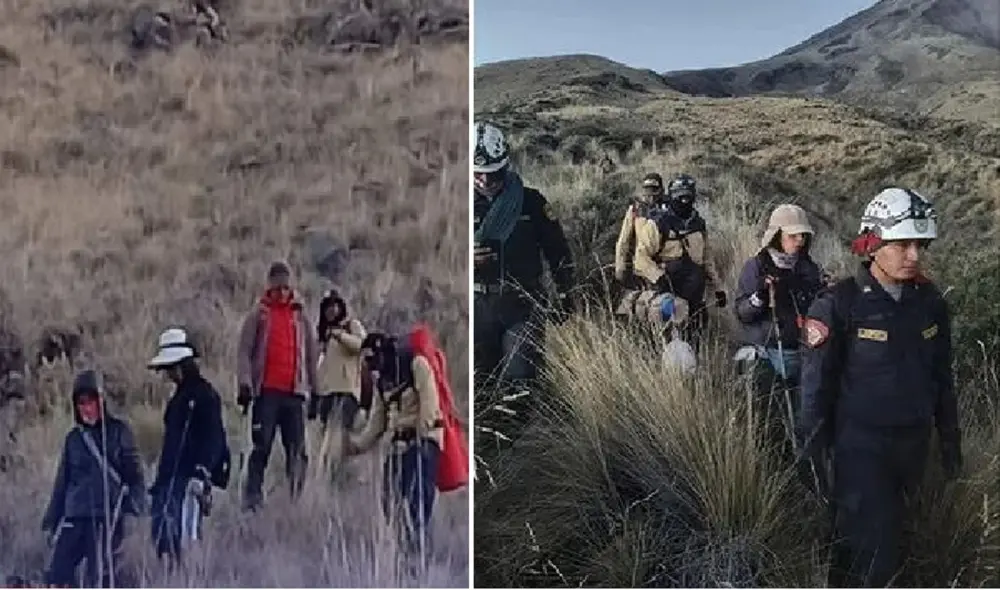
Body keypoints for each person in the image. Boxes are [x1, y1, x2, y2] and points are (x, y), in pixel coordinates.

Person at [797, 187, 962, 587]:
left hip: (914, 447)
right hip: (861, 450)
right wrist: (812, 458)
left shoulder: (929, 302)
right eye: (902, 244)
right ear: (872, 244)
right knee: (873, 558)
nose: (914, 255)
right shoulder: (839, 304)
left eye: (919, 244)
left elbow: (942, 378)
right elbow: (816, 389)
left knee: (900, 544)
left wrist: (950, 444)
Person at [472, 120, 575, 399]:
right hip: (476, 308)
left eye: (492, 173)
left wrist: (567, 294)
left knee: (521, 385)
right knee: (478, 386)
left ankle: (516, 435)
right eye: (477, 174)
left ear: (505, 165)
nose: (484, 181)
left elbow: (558, 250)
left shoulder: (531, 202)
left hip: (523, 305)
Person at [347, 325, 467, 560]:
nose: (372, 369)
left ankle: (418, 561)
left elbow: (429, 405)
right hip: (398, 446)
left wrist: (420, 438)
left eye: (373, 360)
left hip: (424, 444)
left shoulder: (417, 364)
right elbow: (377, 421)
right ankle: (401, 555)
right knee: (389, 501)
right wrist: (356, 446)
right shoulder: (382, 380)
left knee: (417, 507)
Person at [41, 369, 147, 588]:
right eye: (81, 403)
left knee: (101, 577)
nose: (86, 408)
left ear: (101, 402)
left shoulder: (119, 432)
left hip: (106, 517)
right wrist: (52, 520)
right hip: (75, 516)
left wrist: (134, 513)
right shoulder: (74, 439)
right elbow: (62, 483)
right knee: (57, 576)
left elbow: (135, 477)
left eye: (90, 402)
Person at [734, 204, 824, 448]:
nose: (799, 241)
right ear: (777, 235)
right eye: (793, 235)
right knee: (767, 414)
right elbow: (742, 313)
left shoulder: (809, 268)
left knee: (803, 417)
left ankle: (800, 458)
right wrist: (760, 298)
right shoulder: (756, 267)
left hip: (804, 353)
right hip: (768, 351)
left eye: (803, 236)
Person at [236, 261, 319, 511]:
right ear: (269, 287)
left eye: (285, 287)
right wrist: (244, 384)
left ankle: (296, 500)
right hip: (267, 394)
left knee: (298, 451)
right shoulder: (259, 315)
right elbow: (244, 351)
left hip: (294, 394)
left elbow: (311, 357)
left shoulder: (300, 316)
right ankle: (252, 500)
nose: (282, 292)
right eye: (277, 288)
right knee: (261, 446)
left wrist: (316, 392)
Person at [147, 327, 228, 564]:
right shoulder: (184, 397)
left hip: (189, 479)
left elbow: (214, 438)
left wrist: (202, 472)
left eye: (170, 369)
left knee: (185, 538)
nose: (168, 374)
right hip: (173, 479)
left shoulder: (203, 396)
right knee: (166, 537)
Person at [631, 173, 726, 344]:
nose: (684, 200)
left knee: (696, 328)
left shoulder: (698, 224)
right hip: (666, 287)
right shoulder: (658, 223)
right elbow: (641, 257)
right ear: (672, 196)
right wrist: (657, 276)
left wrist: (718, 288)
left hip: (694, 290)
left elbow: (707, 259)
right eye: (680, 195)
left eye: (688, 195)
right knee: (664, 332)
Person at [311, 289, 368, 431]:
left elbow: (362, 345)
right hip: (327, 392)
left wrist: (341, 336)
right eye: (327, 307)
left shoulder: (352, 325)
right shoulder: (324, 334)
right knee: (324, 433)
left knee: (341, 432)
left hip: (347, 391)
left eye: (334, 306)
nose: (331, 310)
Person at [614, 172, 670, 287]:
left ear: (661, 190)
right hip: (642, 267)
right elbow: (623, 241)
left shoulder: (669, 209)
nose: (651, 196)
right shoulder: (636, 210)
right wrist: (620, 268)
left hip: (665, 267)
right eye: (647, 190)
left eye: (654, 190)